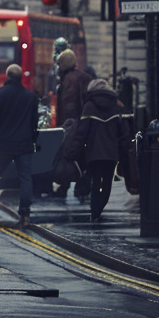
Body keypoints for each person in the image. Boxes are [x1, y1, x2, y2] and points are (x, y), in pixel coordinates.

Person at [61, 78, 133, 222]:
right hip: (111, 153)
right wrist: (125, 149)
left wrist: (73, 150)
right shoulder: (116, 106)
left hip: (93, 153)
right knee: (107, 182)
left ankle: (94, 212)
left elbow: (81, 132)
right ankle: (99, 208)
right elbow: (123, 132)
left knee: (95, 182)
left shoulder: (89, 106)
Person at [0, 63, 39, 228]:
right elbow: (34, 123)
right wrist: (32, 138)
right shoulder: (31, 97)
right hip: (23, 145)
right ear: (21, 77)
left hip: (1, 145)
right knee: (25, 178)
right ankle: (25, 212)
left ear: (7, 76)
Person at [53, 48, 91, 198]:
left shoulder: (69, 79)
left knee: (68, 155)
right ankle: (82, 187)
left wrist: (65, 127)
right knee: (82, 155)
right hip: (83, 122)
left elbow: (68, 105)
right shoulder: (83, 76)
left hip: (73, 124)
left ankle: (66, 186)